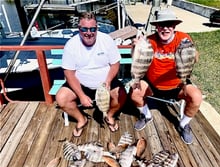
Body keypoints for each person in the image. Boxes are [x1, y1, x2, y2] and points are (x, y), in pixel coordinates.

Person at [130, 9, 202, 144]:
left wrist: (192, 52)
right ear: (156, 27)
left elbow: (195, 59)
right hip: (152, 84)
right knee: (134, 93)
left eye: (169, 24)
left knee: (196, 97)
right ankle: (146, 116)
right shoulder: (148, 41)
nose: (165, 28)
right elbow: (135, 58)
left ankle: (183, 124)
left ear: (174, 27)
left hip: (178, 85)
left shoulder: (183, 38)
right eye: (162, 25)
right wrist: (135, 48)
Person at [56, 12, 127, 137]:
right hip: (81, 85)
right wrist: (81, 95)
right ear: (79, 28)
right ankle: (81, 119)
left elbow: (115, 64)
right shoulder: (71, 45)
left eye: (92, 29)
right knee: (61, 98)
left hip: (106, 84)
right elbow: (69, 73)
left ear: (97, 28)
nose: (89, 32)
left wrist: (109, 81)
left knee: (121, 94)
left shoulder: (106, 40)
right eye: (84, 29)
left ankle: (109, 116)